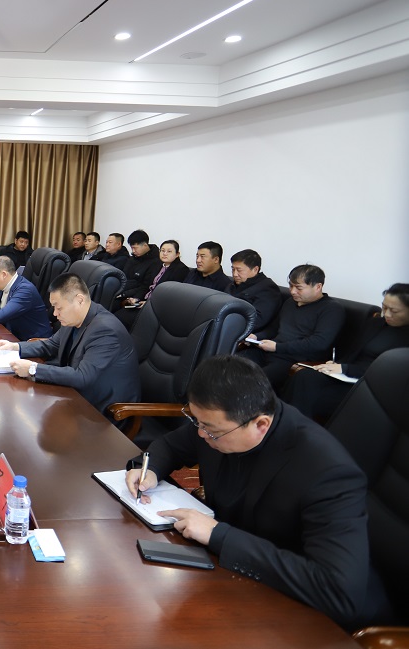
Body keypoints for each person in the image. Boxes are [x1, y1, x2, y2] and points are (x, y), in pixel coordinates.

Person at [125, 355, 389, 630]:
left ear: (261, 425)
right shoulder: (222, 421)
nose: (201, 434)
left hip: (307, 611)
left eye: (210, 430)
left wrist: (219, 535)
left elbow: (338, 591)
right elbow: (172, 446)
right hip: (232, 577)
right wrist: (149, 470)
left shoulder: (327, 472)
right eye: (197, 422)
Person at [0, 272, 139, 415]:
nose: (55, 314)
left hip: (103, 409)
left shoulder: (105, 330)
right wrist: (15, 347)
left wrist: (33, 369)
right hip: (73, 393)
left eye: (59, 307)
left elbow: (83, 377)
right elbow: (52, 345)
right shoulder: (75, 319)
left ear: (79, 300)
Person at [282, 283, 409, 423]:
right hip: (347, 374)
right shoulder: (376, 323)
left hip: (370, 385)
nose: (387, 314)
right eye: (384, 307)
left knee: (310, 395)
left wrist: (345, 368)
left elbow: (389, 374)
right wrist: (335, 363)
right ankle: (287, 422)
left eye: (394, 311)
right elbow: (353, 351)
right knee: (304, 376)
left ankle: (294, 426)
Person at [241, 264, 345, 388]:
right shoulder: (290, 302)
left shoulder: (332, 309)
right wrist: (256, 337)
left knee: (252, 382)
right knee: (231, 365)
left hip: (294, 360)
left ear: (318, 287)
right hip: (269, 352)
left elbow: (319, 343)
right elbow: (275, 328)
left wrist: (277, 347)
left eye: (298, 288)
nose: (292, 291)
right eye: (291, 286)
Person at [115, 240, 190, 330]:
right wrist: (136, 298)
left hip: (158, 306)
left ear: (177, 254)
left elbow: (170, 295)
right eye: (162, 251)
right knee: (117, 314)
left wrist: (149, 303)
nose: (165, 254)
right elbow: (145, 286)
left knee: (122, 319)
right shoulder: (157, 265)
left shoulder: (181, 270)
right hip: (143, 302)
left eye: (169, 251)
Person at [225, 249, 282, 334]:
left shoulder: (268, 289)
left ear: (255, 269)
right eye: (233, 269)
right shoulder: (233, 285)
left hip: (243, 332)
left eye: (239, 270)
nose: (235, 274)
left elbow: (257, 321)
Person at [116, 230, 161, 304]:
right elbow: (123, 277)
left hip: (136, 298)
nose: (133, 251)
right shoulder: (132, 259)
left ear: (145, 245)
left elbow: (146, 286)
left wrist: (127, 295)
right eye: (132, 248)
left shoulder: (155, 262)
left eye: (135, 248)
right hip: (122, 292)